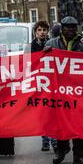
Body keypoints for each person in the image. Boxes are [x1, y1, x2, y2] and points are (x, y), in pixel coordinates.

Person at [44, 16, 83, 164]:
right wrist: (44, 53)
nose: (71, 30)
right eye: (67, 27)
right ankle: (62, 149)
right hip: (58, 91)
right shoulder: (52, 44)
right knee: (61, 124)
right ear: (61, 28)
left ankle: (80, 156)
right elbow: (42, 64)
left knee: (79, 125)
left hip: (77, 92)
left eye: (73, 27)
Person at [27, 20, 58, 154]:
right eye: (39, 30)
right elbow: (27, 63)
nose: (42, 32)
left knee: (51, 112)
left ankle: (53, 140)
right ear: (35, 32)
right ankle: (45, 140)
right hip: (38, 82)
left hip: (51, 82)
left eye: (44, 30)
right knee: (42, 112)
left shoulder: (52, 44)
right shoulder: (30, 47)